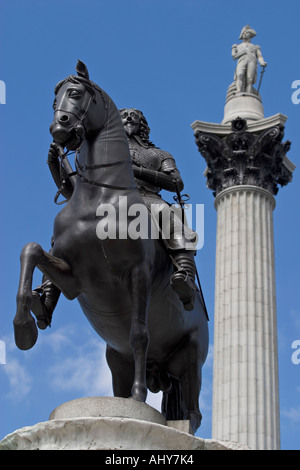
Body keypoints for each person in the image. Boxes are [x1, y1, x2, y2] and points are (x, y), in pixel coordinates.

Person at [31, 108, 199, 329]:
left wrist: (136, 171)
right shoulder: (101, 152)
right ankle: (48, 299)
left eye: (134, 115)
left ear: (143, 124)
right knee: (67, 228)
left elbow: (176, 182)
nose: (129, 117)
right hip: (104, 201)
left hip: (147, 199)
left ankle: (184, 275)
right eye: (124, 115)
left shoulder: (160, 155)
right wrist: (55, 165)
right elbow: (72, 193)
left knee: (168, 213)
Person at [232, 25, 267, 93]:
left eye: (246, 33)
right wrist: (243, 53)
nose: (245, 34)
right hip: (242, 60)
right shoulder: (237, 46)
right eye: (243, 33)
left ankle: (249, 91)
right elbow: (234, 56)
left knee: (250, 78)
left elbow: (259, 56)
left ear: (250, 35)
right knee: (239, 75)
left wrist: (262, 63)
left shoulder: (255, 46)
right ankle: (239, 90)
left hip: (252, 61)